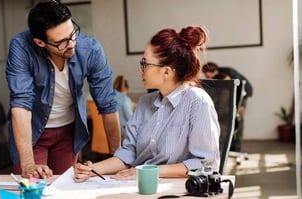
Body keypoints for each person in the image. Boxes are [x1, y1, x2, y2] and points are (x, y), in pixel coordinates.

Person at [74, 26, 220, 182]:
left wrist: (149, 171)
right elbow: (128, 154)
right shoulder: (145, 102)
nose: (141, 70)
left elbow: (207, 164)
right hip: (137, 186)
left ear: (167, 72)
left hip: (175, 188)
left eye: (145, 64)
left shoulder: (198, 102)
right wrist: (92, 169)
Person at [5, 0, 121, 179]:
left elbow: (107, 106)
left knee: (66, 187)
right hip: (33, 133)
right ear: (40, 42)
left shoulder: (90, 49)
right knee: (34, 186)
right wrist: (28, 164)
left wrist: (118, 159)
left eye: (72, 33)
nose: (71, 43)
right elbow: (21, 104)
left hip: (68, 133)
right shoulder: (21, 47)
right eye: (61, 42)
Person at [202, 62, 253, 152]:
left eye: (208, 74)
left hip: (243, 93)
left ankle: (237, 146)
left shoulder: (228, 73)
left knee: (238, 118)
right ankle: (228, 145)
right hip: (230, 98)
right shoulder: (216, 79)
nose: (207, 77)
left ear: (214, 71)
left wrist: (241, 105)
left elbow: (241, 87)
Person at [113, 75, 133, 140]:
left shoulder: (109, 97)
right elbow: (131, 118)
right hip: (123, 132)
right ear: (125, 88)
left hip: (111, 129)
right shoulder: (125, 99)